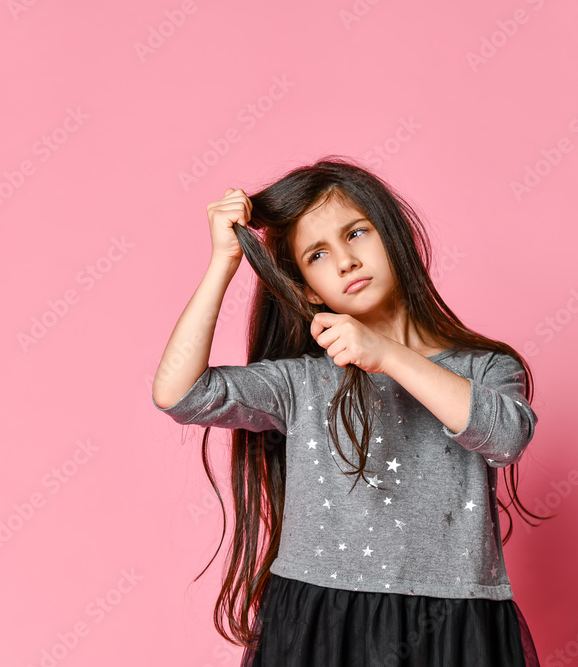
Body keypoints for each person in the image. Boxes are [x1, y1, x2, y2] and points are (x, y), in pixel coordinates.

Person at [152, 156, 549, 666]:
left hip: (452, 623)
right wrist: (223, 263)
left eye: (356, 233)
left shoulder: (485, 368)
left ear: (394, 236)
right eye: (317, 254)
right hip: (323, 620)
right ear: (305, 287)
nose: (344, 261)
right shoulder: (302, 382)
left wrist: (389, 356)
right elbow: (181, 393)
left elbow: (506, 437)